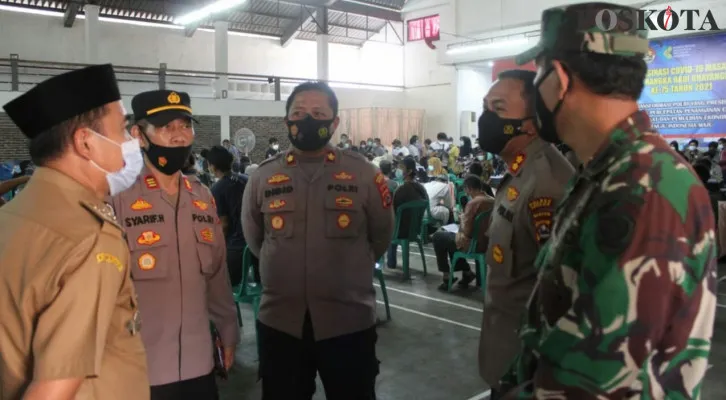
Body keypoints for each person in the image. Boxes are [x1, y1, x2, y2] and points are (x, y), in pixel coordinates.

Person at [501, 3, 717, 398]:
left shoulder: (643, 189)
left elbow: (596, 381)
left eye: (540, 74)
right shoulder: (607, 172)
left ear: (560, 79)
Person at [0, 64, 149, 399]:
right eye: (123, 131)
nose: (131, 143)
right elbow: (53, 388)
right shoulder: (90, 236)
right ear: (86, 143)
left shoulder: (14, 215)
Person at [241, 81, 394, 399]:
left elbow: (380, 236)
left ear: (334, 122)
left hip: (349, 324)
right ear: (286, 121)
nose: (307, 119)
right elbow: (255, 238)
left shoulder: (364, 174)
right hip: (281, 324)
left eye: (318, 113)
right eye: (298, 113)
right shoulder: (263, 177)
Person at [109, 90, 239, 399]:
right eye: (167, 127)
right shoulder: (118, 197)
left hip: (199, 364)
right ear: (139, 135)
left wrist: (228, 330)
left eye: (185, 126)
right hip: (139, 366)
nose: (180, 137)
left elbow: (218, 275)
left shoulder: (202, 196)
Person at [476, 68, 574, 398]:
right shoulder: (521, 173)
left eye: (498, 108)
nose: (486, 117)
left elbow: (560, 294)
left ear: (532, 123)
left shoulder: (546, 185)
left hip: (529, 371)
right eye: (485, 106)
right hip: (507, 358)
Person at [432, 175, 494, 290]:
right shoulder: (492, 200)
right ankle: (467, 273)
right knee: (449, 239)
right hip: (488, 242)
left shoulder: (473, 203)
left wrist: (462, 219)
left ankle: (447, 276)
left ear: (468, 189)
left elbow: (467, 232)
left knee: (438, 237)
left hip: (473, 244)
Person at [205, 145, 254, 285]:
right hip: (254, 246)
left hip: (235, 250)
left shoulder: (216, 189)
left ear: (212, 167)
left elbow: (224, 225)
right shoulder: (247, 180)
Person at [387, 157, 428, 269]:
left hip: (401, 230)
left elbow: (393, 212)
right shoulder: (421, 188)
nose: (398, 170)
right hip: (415, 230)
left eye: (401, 168)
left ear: (409, 171)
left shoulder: (401, 190)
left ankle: (388, 263)